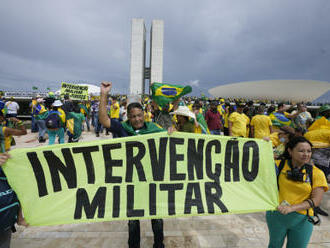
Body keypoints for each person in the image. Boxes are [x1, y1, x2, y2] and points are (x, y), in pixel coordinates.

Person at [99, 82, 170, 248]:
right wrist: (104, 94)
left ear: (144, 115)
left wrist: (172, 131)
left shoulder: (154, 128)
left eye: (139, 115)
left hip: (153, 181)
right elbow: (104, 120)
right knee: (133, 221)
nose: (137, 119)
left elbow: (171, 137)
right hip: (132, 182)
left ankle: (159, 245)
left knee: (157, 217)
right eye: (133, 116)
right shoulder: (123, 128)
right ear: (128, 117)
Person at [266, 136, 328, 248]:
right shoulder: (278, 165)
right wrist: (263, 146)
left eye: (309, 151)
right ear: (290, 151)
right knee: (274, 245)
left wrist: (291, 208)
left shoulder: (317, 173)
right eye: (301, 151)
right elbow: (257, 164)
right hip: (276, 215)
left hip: (302, 219)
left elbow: (316, 200)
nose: (306, 154)